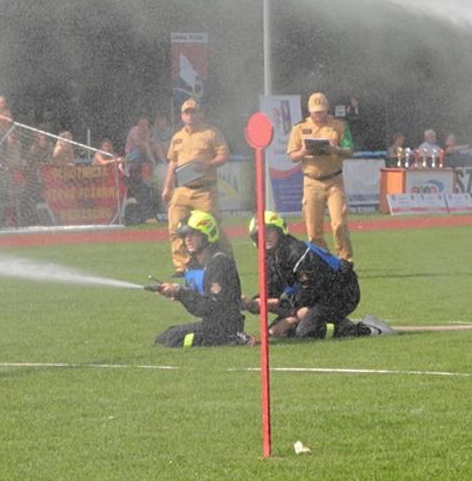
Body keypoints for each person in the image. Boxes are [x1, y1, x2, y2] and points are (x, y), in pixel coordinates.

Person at [246, 212, 392, 340]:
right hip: (318, 296)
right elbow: (272, 290)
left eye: (268, 231)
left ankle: (365, 329)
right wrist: (252, 303)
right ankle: (337, 322)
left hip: (342, 292)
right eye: (259, 235)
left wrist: (291, 316)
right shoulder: (271, 258)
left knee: (306, 331)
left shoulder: (295, 252)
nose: (265, 238)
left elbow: (311, 291)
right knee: (280, 333)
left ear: (280, 231)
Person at [151, 210, 252, 348]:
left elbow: (213, 307)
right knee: (165, 336)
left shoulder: (219, 263)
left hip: (225, 328)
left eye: (192, 234)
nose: (188, 239)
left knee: (175, 341)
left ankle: (235, 337)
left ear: (206, 234)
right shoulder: (195, 265)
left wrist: (180, 293)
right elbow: (199, 302)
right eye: (185, 235)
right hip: (210, 324)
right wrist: (176, 292)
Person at [161, 98, 231, 276]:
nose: (190, 115)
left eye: (193, 112)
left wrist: (208, 164)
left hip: (204, 189)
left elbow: (224, 155)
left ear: (200, 113)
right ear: (181, 116)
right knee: (175, 227)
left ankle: (224, 260)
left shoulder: (211, 133)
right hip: (183, 189)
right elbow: (172, 162)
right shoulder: (177, 137)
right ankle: (182, 265)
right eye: (187, 112)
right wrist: (167, 187)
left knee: (212, 227)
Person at [287, 92, 355, 263]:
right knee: (313, 228)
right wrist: (304, 151)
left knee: (339, 223)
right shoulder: (300, 128)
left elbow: (350, 150)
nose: (319, 115)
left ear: (327, 109)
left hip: (334, 180)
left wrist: (336, 150)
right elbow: (292, 155)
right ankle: (323, 263)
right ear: (309, 111)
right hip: (311, 181)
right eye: (316, 111)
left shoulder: (339, 126)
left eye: (322, 111)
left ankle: (345, 261)